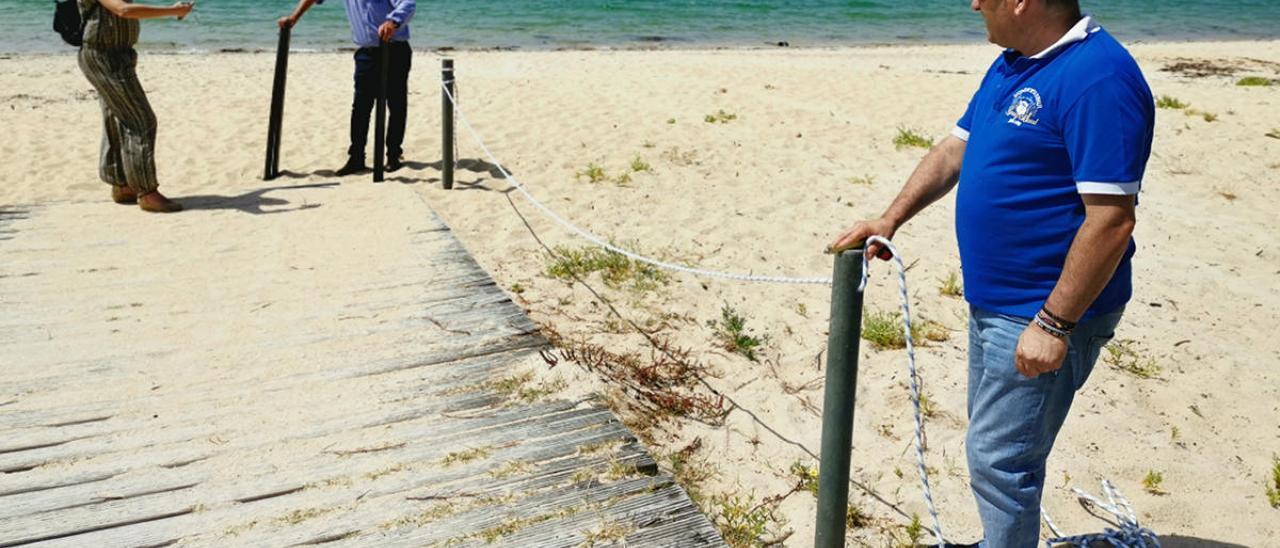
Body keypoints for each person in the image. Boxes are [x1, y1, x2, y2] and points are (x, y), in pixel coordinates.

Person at [829, 0, 1154, 546]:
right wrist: (891, 218)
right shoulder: (1015, 60)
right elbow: (956, 150)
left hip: (1043, 308)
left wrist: (1053, 324)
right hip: (996, 302)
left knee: (1001, 462)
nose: (975, 3)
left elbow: (1112, 220)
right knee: (995, 451)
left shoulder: (1100, 79)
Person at [77, 0, 194, 213]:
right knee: (141, 120)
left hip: (117, 53)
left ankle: (122, 184)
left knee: (117, 117)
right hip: (103, 56)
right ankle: (147, 192)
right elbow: (124, 10)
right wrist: (173, 10)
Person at [278, 0, 416, 176]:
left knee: (395, 103)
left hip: (395, 49)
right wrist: (294, 18)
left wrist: (393, 21)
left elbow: (408, 4)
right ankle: (356, 158)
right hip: (366, 53)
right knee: (361, 106)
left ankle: (393, 155)